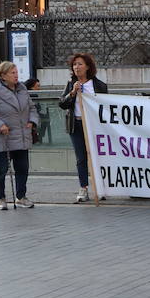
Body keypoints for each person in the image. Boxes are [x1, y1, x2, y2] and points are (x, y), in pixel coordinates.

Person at [0, 61, 39, 210]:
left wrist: (32, 121)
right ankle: (0, 198)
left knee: (22, 169)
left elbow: (32, 108)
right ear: (3, 75)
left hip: (22, 136)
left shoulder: (22, 90)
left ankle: (21, 197)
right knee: (1, 170)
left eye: (16, 72)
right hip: (4, 139)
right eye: (12, 73)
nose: (16, 75)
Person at [59, 52, 109, 203]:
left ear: (87, 67)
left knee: (96, 156)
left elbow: (106, 106)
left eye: (80, 64)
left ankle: (99, 188)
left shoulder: (99, 85)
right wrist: (72, 93)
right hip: (76, 125)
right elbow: (62, 104)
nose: (77, 67)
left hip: (93, 126)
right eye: (74, 64)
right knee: (81, 158)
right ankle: (84, 187)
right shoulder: (71, 84)